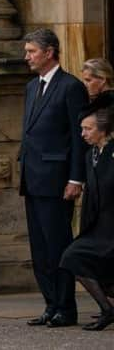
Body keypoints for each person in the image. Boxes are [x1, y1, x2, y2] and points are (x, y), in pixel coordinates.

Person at [20, 28, 88, 328]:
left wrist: (76, 178)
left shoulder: (71, 86)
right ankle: (50, 304)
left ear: (49, 52)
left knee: (58, 245)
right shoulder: (31, 88)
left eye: (32, 51)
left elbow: (78, 137)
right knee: (40, 248)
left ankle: (66, 307)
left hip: (57, 180)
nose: (27, 57)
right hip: (33, 178)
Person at [60, 102, 114, 331]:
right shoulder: (89, 153)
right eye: (82, 128)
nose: (82, 134)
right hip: (97, 225)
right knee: (72, 257)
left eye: (88, 129)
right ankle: (108, 309)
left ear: (103, 130)